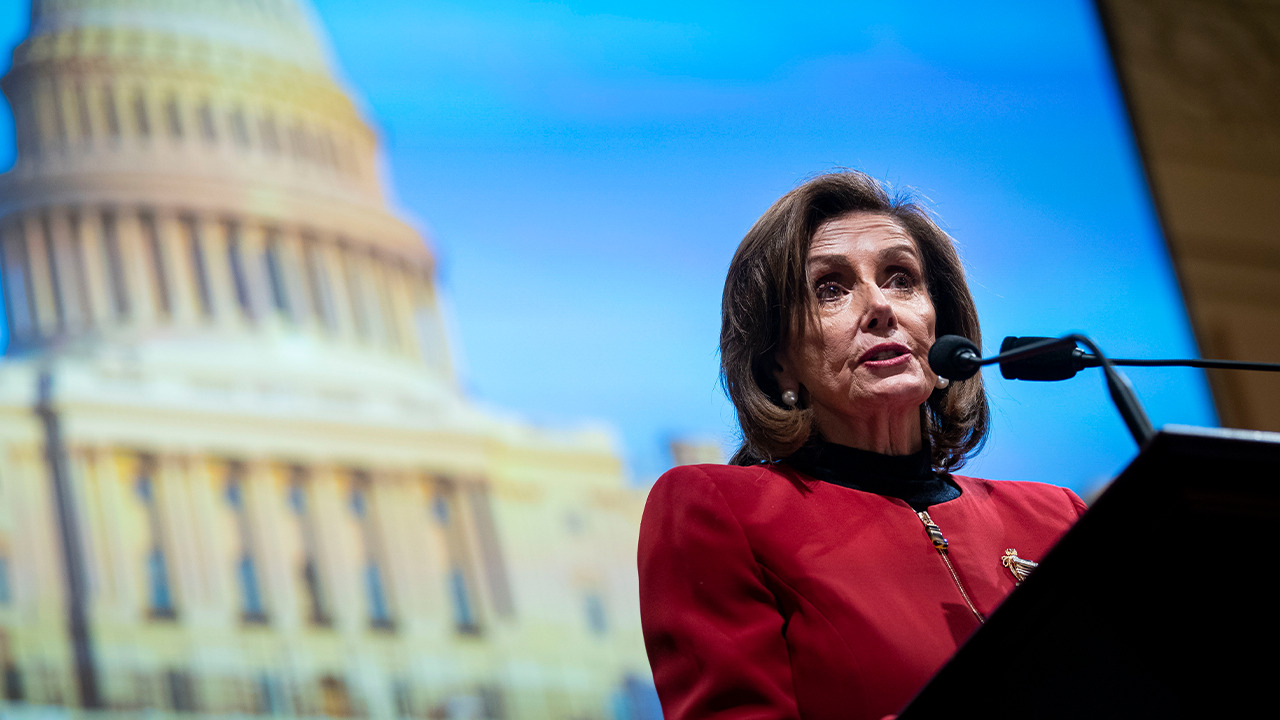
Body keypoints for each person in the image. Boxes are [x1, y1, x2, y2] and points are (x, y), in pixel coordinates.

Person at [637, 171, 1087, 720]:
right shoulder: (719, 509)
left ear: (940, 323)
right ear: (779, 360)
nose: (880, 307)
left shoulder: (1057, 518)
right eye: (830, 289)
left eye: (901, 279)